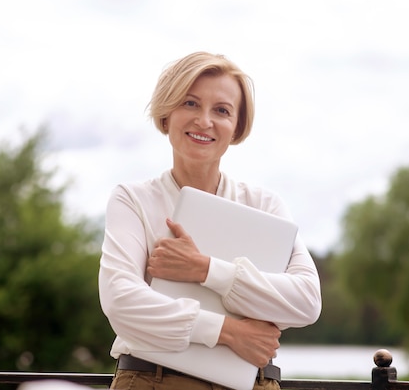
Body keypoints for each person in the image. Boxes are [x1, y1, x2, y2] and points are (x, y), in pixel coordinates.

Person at [98, 52, 322, 390]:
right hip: (155, 382)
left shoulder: (265, 205)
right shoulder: (133, 200)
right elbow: (121, 302)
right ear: (166, 114)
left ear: (236, 127)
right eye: (190, 103)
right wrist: (229, 332)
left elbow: (306, 302)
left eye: (222, 110)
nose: (204, 121)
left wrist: (206, 270)